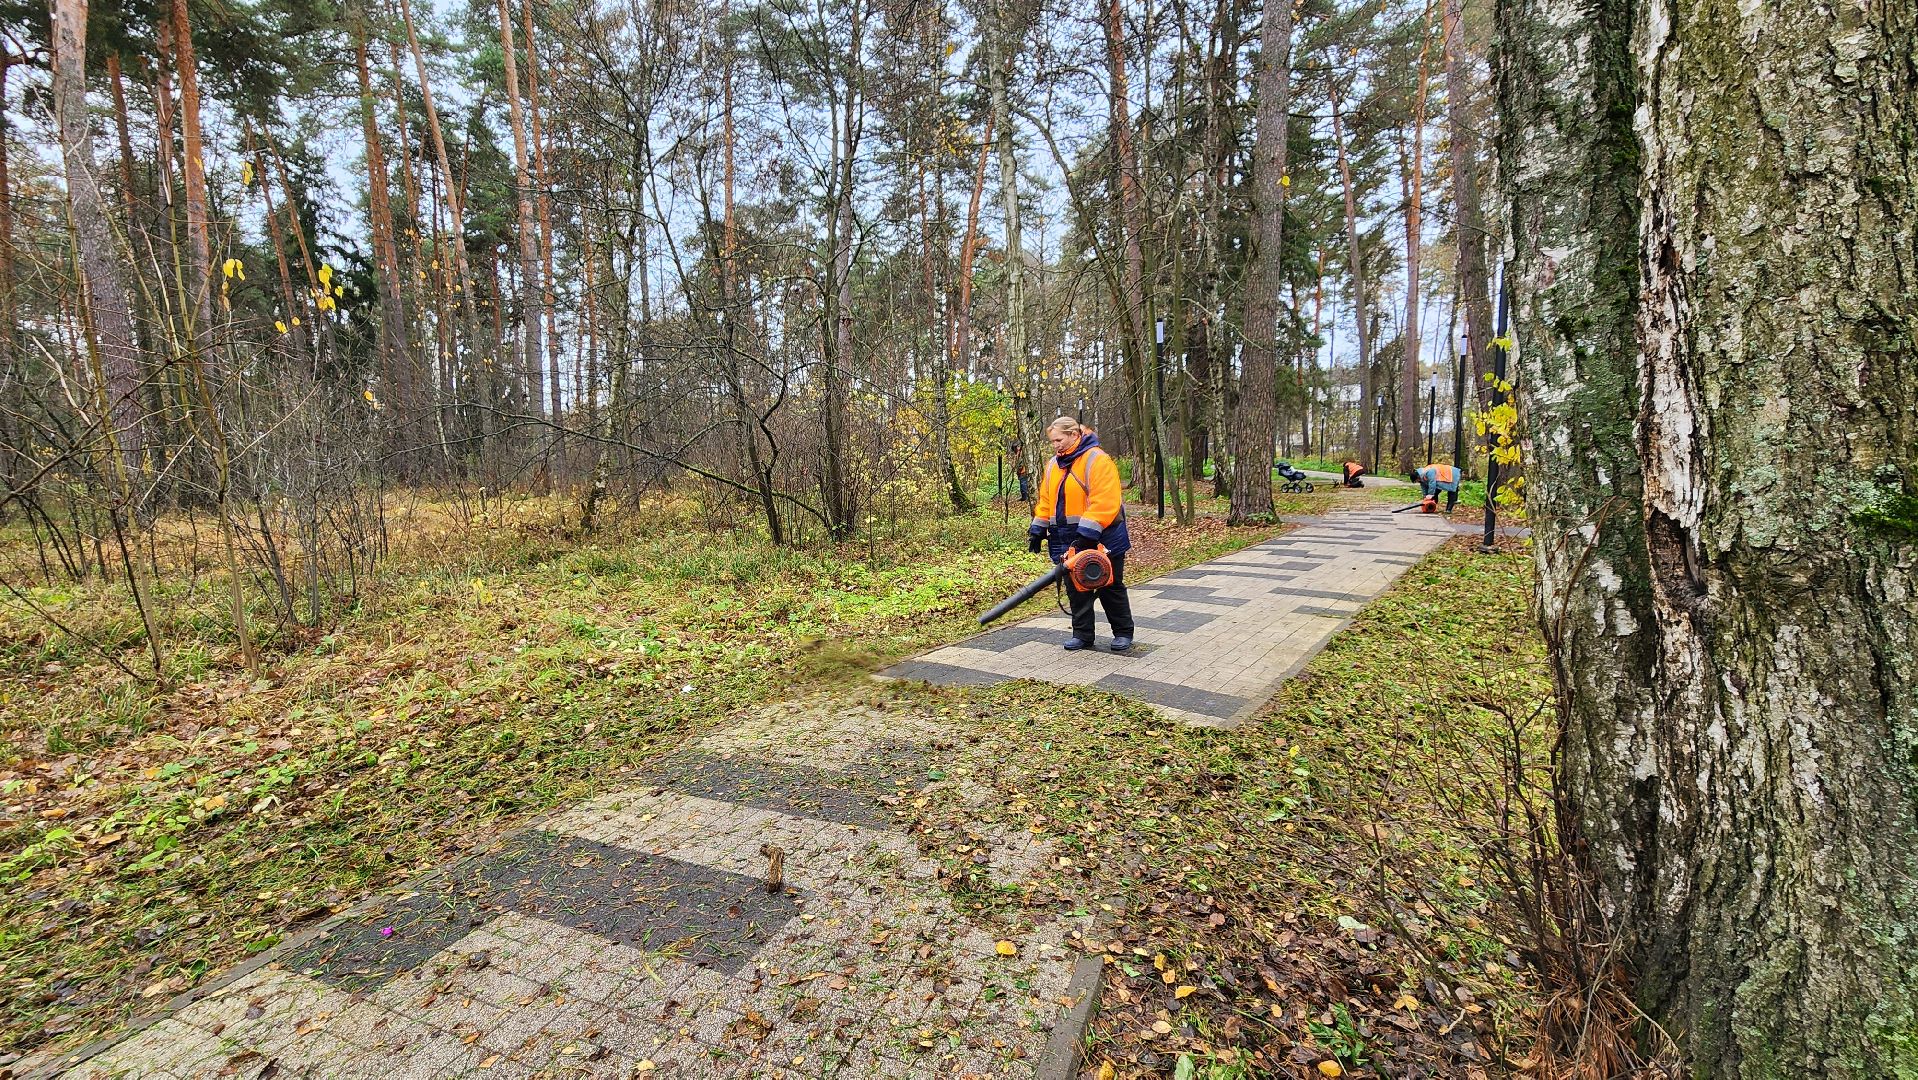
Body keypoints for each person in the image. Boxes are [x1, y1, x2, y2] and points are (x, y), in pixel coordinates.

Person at [1027, 416, 1134, 651]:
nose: (1055, 445)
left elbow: (1105, 502)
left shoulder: (1098, 460)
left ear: (1074, 435)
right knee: (1076, 588)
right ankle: (1083, 635)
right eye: (1052, 441)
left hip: (1103, 536)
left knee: (1109, 584)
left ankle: (1123, 632)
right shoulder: (1053, 465)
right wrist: (1038, 527)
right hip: (1066, 538)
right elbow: (1047, 500)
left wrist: (1087, 534)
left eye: (1059, 440)